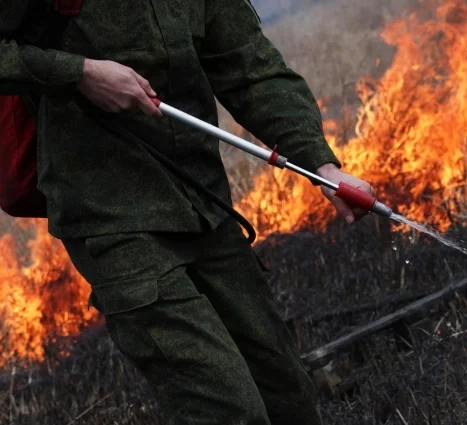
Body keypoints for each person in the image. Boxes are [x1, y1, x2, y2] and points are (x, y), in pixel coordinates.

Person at [0, 1, 375, 424]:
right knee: (226, 408)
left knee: (289, 397)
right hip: (112, 220)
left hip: (204, 208)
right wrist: (80, 73)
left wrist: (320, 166)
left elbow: (250, 68)